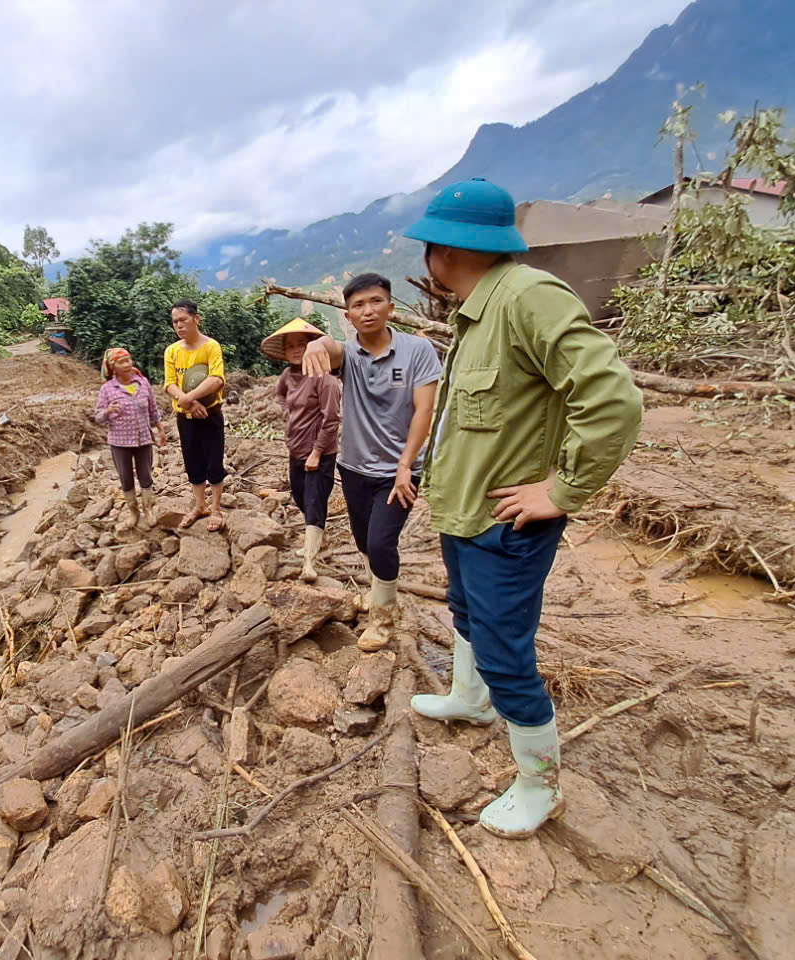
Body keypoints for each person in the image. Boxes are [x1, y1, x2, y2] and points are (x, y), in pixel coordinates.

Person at [402, 177, 643, 839]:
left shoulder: (528, 298)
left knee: (507, 652)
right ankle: (469, 700)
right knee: (466, 612)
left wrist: (560, 490)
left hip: (505, 522)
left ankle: (539, 787)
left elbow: (613, 401)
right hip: (468, 511)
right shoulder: (482, 307)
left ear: (442, 253)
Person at [301, 273, 443, 653]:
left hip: (401, 472)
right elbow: (331, 351)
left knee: (382, 543)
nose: (368, 310)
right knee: (364, 540)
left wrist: (405, 464)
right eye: (358, 305)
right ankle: (378, 588)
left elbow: (424, 411)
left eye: (375, 301)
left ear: (391, 307)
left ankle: (382, 617)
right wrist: (319, 340)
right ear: (348, 315)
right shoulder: (349, 354)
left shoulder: (418, 351)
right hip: (354, 468)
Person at [263, 317, 342, 582]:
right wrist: (293, 416)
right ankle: (321, 540)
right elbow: (281, 397)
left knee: (314, 500)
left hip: (320, 453)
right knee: (299, 497)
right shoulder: (287, 375)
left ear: (312, 346)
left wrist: (317, 452)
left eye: (302, 344)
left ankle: (309, 561)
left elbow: (332, 419)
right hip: (295, 449)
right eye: (291, 346)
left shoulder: (325, 378)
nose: (296, 350)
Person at [163, 299, 228, 531]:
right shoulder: (171, 351)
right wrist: (189, 404)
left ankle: (217, 508)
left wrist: (189, 398)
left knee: (214, 460)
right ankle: (200, 505)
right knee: (193, 461)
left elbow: (216, 379)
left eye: (183, 320)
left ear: (196, 319)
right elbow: (169, 384)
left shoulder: (211, 346)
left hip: (211, 414)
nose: (179, 326)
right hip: (185, 417)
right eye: (175, 322)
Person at [93, 347, 166, 530]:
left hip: (143, 439)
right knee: (126, 478)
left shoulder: (142, 383)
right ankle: (134, 513)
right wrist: (108, 411)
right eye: (121, 362)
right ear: (112, 367)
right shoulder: (107, 389)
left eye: (128, 360)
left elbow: (153, 410)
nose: (127, 365)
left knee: (146, 475)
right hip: (119, 442)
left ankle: (148, 510)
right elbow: (98, 417)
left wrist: (160, 430)